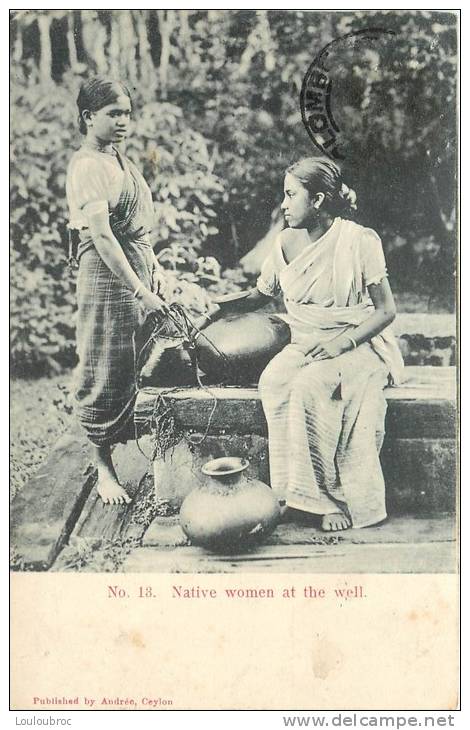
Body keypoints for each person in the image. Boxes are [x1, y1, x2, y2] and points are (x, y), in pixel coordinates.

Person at [224, 157, 404, 530]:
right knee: (274, 381)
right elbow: (261, 294)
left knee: (308, 386)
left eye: (291, 195)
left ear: (319, 201)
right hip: (307, 342)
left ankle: (330, 501)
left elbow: (386, 311)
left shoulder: (359, 241)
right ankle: (294, 492)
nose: (284, 205)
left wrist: (343, 343)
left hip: (357, 347)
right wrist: (215, 308)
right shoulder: (284, 242)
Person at [66, 77, 168, 505]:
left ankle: (139, 446)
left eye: (127, 113)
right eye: (113, 114)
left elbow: (136, 232)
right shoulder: (87, 165)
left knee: (137, 358)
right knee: (104, 360)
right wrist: (141, 290)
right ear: (89, 118)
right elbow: (104, 238)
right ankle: (102, 463)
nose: (123, 121)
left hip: (134, 268)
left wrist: (155, 267)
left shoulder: (117, 158)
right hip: (107, 276)